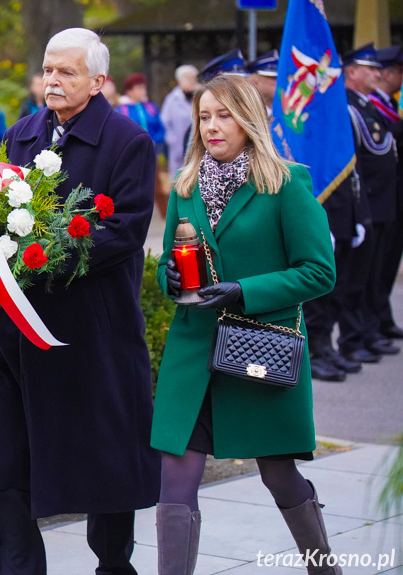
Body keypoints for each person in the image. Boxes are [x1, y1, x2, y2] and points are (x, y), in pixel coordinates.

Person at [0, 28, 160, 574]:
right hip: (17, 333)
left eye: (67, 72)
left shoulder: (129, 142)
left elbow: (125, 230)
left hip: (92, 335)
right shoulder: (20, 134)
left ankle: (113, 566)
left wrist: (39, 257)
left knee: (105, 465)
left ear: (98, 81)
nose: (52, 80)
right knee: (6, 463)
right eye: (48, 69)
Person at [152, 74, 338, 575]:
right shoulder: (186, 185)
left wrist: (244, 291)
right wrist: (167, 275)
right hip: (193, 356)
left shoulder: (286, 183)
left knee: (279, 475)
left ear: (249, 118)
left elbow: (319, 272)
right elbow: (174, 262)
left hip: (259, 351)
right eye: (204, 117)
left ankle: (324, 568)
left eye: (224, 115)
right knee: (175, 475)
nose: (212, 126)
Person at [338, 43, 400, 363]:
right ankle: (353, 338)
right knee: (355, 280)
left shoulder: (369, 107)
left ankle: (369, 330)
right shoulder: (349, 108)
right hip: (367, 202)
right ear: (350, 73)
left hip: (381, 203)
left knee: (373, 275)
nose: (378, 73)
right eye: (369, 68)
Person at [369, 45, 403, 341]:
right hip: (374, 198)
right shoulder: (365, 107)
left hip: (390, 197)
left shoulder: (384, 106)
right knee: (370, 269)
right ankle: (369, 325)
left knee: (386, 262)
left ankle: (381, 317)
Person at [161, 65, 198, 179]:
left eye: (193, 78)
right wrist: (172, 141)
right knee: (178, 179)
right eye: (188, 78)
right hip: (177, 149)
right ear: (179, 81)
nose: (192, 81)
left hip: (196, 147)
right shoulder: (172, 99)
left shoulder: (199, 97)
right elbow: (164, 123)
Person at [116, 73, 166, 156]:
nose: (143, 91)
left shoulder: (151, 107)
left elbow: (160, 127)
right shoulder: (121, 110)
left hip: (153, 151)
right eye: (139, 88)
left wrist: (156, 141)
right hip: (131, 153)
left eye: (143, 87)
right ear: (129, 91)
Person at [247, 50, 279, 115]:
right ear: (254, 82)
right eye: (273, 77)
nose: (279, 81)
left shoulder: (287, 113)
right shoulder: (246, 114)